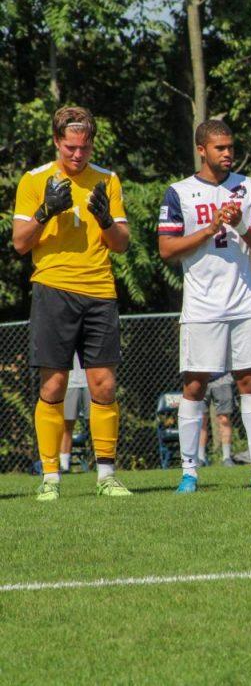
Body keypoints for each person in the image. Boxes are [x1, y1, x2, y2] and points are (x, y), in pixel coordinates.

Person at [13, 106, 132, 500]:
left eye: (83, 148)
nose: (77, 156)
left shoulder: (108, 180)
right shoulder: (34, 181)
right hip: (53, 289)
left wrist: (106, 221)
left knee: (104, 384)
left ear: (92, 143)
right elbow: (19, 243)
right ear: (56, 142)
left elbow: (121, 244)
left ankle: (107, 476)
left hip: (99, 290)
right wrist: (46, 210)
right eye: (70, 148)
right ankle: (50, 477)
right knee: (54, 384)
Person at [158, 119, 251, 489]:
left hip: (243, 303)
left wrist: (242, 224)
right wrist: (208, 229)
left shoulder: (248, 187)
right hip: (200, 306)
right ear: (201, 150)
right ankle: (188, 473)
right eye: (220, 148)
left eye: (230, 147)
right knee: (194, 386)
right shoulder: (178, 192)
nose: (228, 154)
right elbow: (166, 250)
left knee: (250, 381)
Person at [59, 355, 90, 473]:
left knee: (97, 425)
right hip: (71, 383)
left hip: (91, 382)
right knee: (67, 426)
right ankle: (64, 465)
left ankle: (102, 463)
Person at [198, 372, 237, 467]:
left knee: (224, 419)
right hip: (199, 378)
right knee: (201, 420)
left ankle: (226, 458)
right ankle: (200, 458)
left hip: (222, 377)